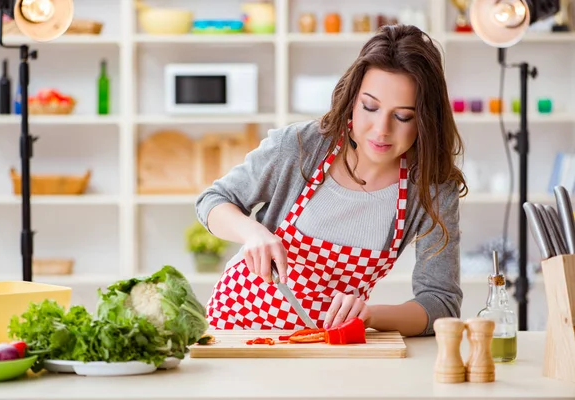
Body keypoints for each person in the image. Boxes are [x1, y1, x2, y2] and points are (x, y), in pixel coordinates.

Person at [195, 24, 467, 337]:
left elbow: (441, 302)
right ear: (353, 100)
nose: (381, 129)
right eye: (370, 107)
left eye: (402, 116)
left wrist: (371, 315)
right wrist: (253, 232)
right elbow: (212, 201)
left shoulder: (432, 188)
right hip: (235, 329)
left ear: (425, 120)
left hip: (326, 344)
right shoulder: (300, 146)